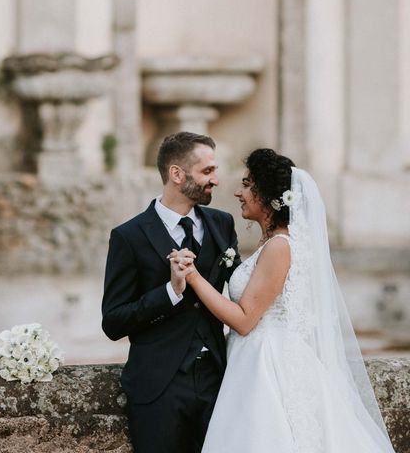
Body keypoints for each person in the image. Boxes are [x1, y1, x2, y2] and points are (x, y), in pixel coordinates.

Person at [170, 148, 396, 452]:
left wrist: (193, 276)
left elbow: (245, 320)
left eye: (248, 184)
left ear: (269, 195)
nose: (238, 192)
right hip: (251, 357)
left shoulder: (279, 246)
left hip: (266, 364)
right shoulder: (272, 244)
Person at [101, 131, 241, 453]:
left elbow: (239, 287)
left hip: (219, 382)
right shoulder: (129, 236)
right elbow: (113, 321)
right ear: (177, 174)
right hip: (158, 388)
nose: (216, 180)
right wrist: (170, 291)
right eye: (207, 171)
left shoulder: (222, 225)